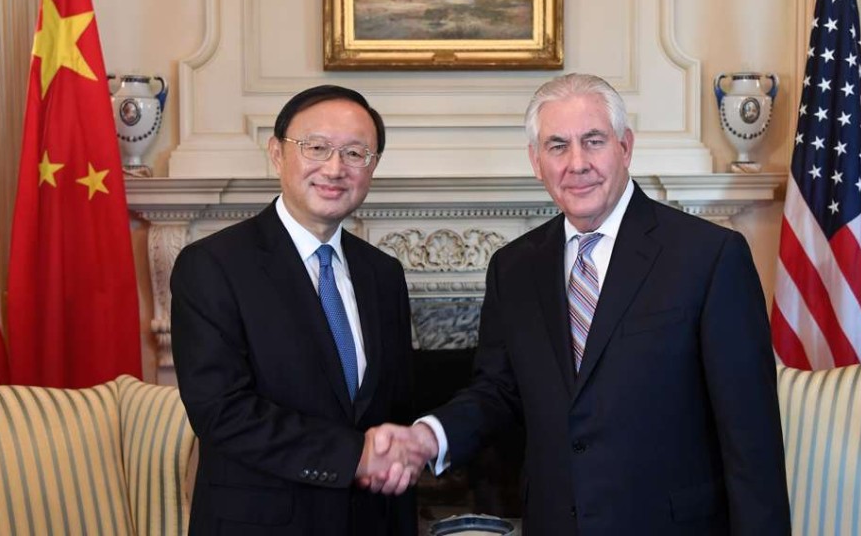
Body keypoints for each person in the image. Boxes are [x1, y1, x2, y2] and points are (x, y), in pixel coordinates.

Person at [384, 73, 790, 534]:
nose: (577, 163)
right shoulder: (513, 268)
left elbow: (751, 439)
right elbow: (498, 392)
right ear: (537, 162)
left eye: (593, 141)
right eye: (557, 146)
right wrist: (428, 436)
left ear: (625, 147)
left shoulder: (709, 256)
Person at [171, 85, 427, 535]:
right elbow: (222, 412)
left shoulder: (383, 274)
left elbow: (395, 407)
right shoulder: (212, 265)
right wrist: (355, 456)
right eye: (316, 147)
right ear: (276, 153)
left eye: (354, 153)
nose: (334, 168)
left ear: (372, 166)